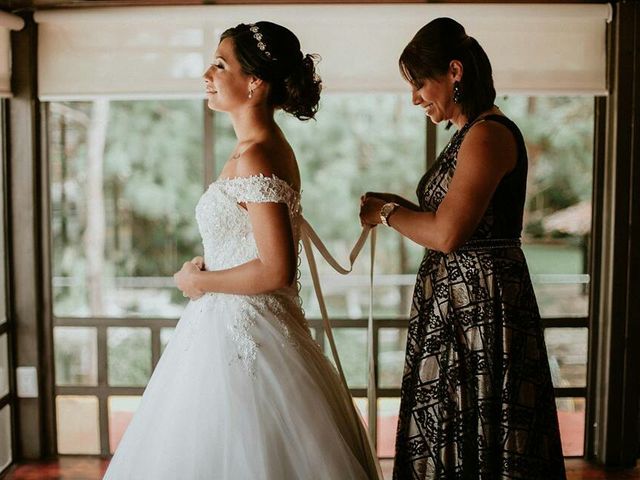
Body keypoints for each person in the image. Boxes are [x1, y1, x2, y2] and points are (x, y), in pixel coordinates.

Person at [104, 21, 380, 480]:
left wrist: (198, 281)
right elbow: (246, 244)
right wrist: (207, 267)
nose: (206, 74)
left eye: (220, 64)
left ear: (254, 82)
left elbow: (276, 270)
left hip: (248, 334)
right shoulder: (252, 149)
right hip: (225, 328)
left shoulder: (258, 153)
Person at [359, 17, 566, 480]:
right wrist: (395, 205)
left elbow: (449, 234)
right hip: (459, 301)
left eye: (420, 84)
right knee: (456, 420)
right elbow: (447, 217)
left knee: (481, 419)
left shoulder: (488, 134)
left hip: (483, 301)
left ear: (454, 71)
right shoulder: (467, 133)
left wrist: (388, 214)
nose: (415, 98)